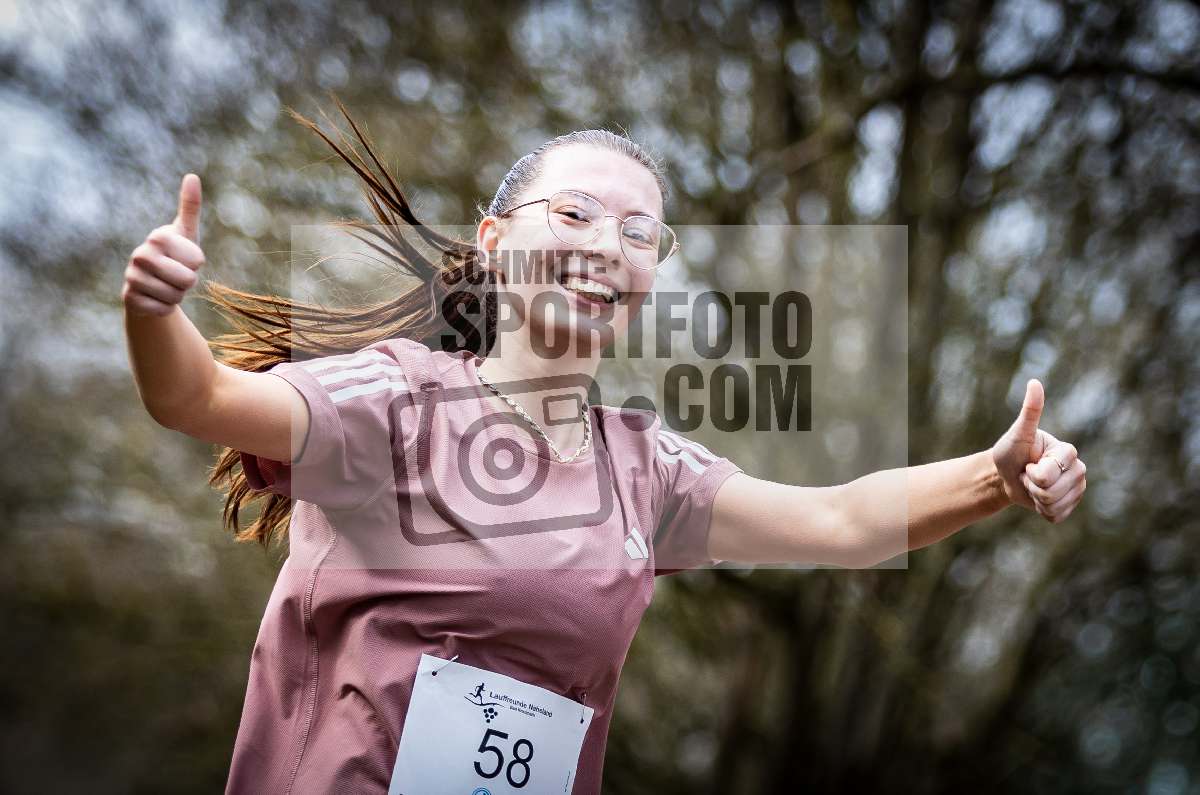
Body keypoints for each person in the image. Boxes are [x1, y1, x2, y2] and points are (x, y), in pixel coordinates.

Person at [122, 103, 1087, 794]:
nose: (610, 245)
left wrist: (993, 478)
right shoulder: (394, 401)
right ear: (496, 242)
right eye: (575, 215)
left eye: (640, 232)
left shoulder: (643, 467)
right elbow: (197, 395)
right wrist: (155, 309)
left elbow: (838, 518)